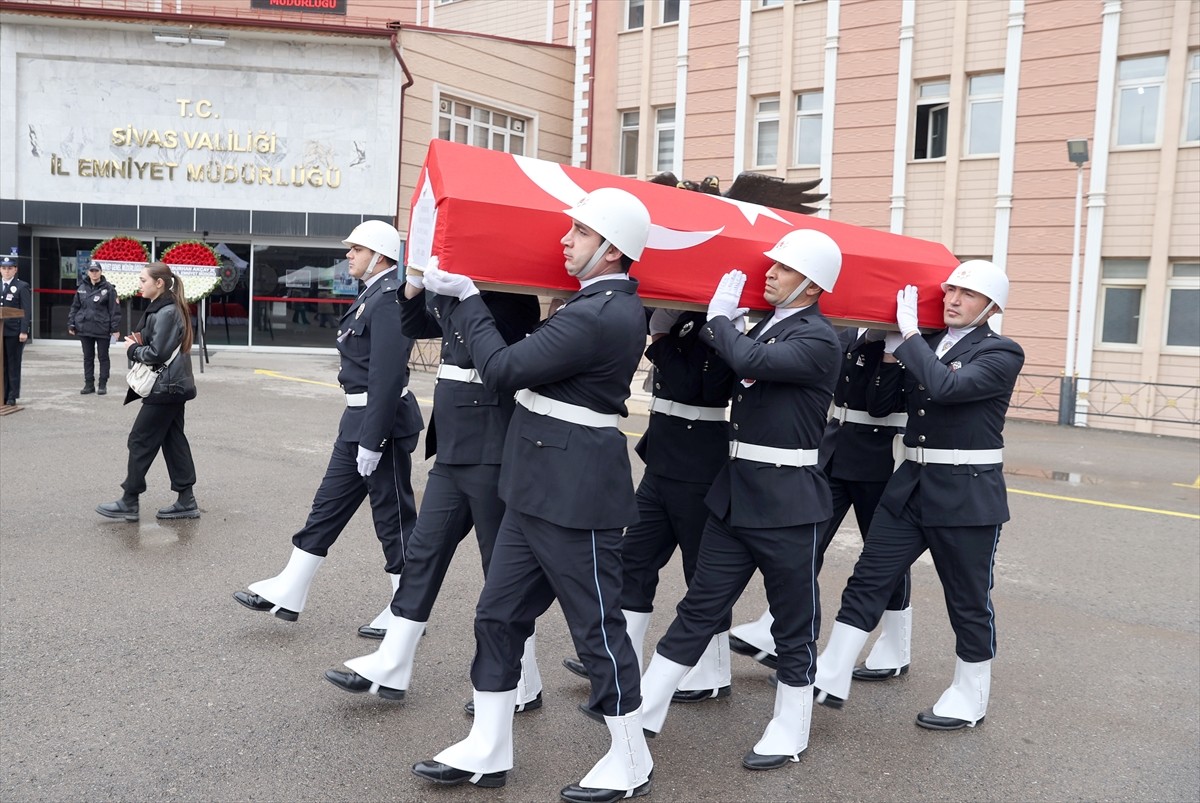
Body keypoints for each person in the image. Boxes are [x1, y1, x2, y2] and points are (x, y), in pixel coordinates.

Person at [410, 187, 654, 802]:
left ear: (611, 250)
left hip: (575, 496)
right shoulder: (591, 305)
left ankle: (631, 757)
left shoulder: (601, 313)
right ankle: (489, 744)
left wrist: (468, 300)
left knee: (597, 627)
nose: (565, 241)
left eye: (578, 233)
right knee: (498, 615)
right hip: (537, 485)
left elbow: (504, 368)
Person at [636, 228, 842, 772]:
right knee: (700, 606)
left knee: (793, 622)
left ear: (813, 286)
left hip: (787, 502)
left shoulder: (820, 338)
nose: (769, 273)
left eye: (783, 269)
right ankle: (645, 707)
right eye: (771, 265)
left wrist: (721, 319)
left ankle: (790, 726)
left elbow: (753, 362)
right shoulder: (768, 327)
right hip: (737, 495)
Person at [814, 260, 1024, 731]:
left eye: (966, 296)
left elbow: (948, 387)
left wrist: (909, 341)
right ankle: (832, 669)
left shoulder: (1002, 352)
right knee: (870, 576)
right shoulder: (924, 344)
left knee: (968, 600)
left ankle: (970, 694)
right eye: (950, 291)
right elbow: (883, 405)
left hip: (967, 494)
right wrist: (888, 352)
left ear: (990, 306)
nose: (952, 300)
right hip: (911, 483)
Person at [323, 261, 545, 709]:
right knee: (423, 553)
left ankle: (523, 680)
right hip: (453, 445)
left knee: (498, 569)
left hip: (491, 445)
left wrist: (466, 294)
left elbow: (493, 353)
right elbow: (417, 325)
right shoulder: (463, 291)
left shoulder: (511, 294)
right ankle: (395, 662)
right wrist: (412, 291)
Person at [233, 221, 423, 633]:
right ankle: (291, 586)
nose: (348, 255)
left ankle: (407, 609)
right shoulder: (374, 294)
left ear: (380, 255)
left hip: (380, 423)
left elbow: (387, 377)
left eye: (356, 249)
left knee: (392, 517)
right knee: (328, 505)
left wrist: (373, 439)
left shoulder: (389, 297)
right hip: (358, 420)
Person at [561, 305, 738, 705]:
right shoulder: (682, 320)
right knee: (633, 560)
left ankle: (712, 670)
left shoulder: (714, 323)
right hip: (664, 458)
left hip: (697, 463)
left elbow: (695, 385)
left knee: (701, 570)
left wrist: (660, 340)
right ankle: (619, 657)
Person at [729, 326, 914, 682]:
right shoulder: (843, 333)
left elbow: (880, 405)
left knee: (883, 558)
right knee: (806, 540)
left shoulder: (900, 340)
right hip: (835, 447)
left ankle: (895, 645)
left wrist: (890, 350)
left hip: (880, 456)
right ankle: (775, 626)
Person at [95, 262, 200, 521]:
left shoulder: (166, 312)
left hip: (166, 387)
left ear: (159, 283)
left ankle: (130, 500)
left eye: (143, 280)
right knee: (173, 441)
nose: (139, 285)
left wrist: (132, 349)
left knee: (140, 439)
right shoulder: (163, 309)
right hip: (172, 385)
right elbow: (158, 345)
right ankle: (186, 500)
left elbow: (157, 354)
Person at [68, 261, 122, 396]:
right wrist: (71, 323)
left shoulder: (109, 289)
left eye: (96, 270)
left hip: (102, 328)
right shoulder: (81, 288)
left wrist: (114, 328)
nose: (94, 273)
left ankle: (102, 384)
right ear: (88, 272)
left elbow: (114, 310)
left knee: (103, 357)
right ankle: (89, 384)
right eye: (91, 271)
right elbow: (75, 307)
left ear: (101, 272)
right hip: (84, 328)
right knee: (88, 357)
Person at [1, 254, 31, 406]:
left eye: (9, 268)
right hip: (0, 332)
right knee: (2, 364)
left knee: (13, 363)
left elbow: (26, 310)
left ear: (15, 270)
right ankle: (3, 394)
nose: (6, 271)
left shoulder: (21, 286)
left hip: (14, 332)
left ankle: (12, 394)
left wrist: (24, 330)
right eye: (4, 268)